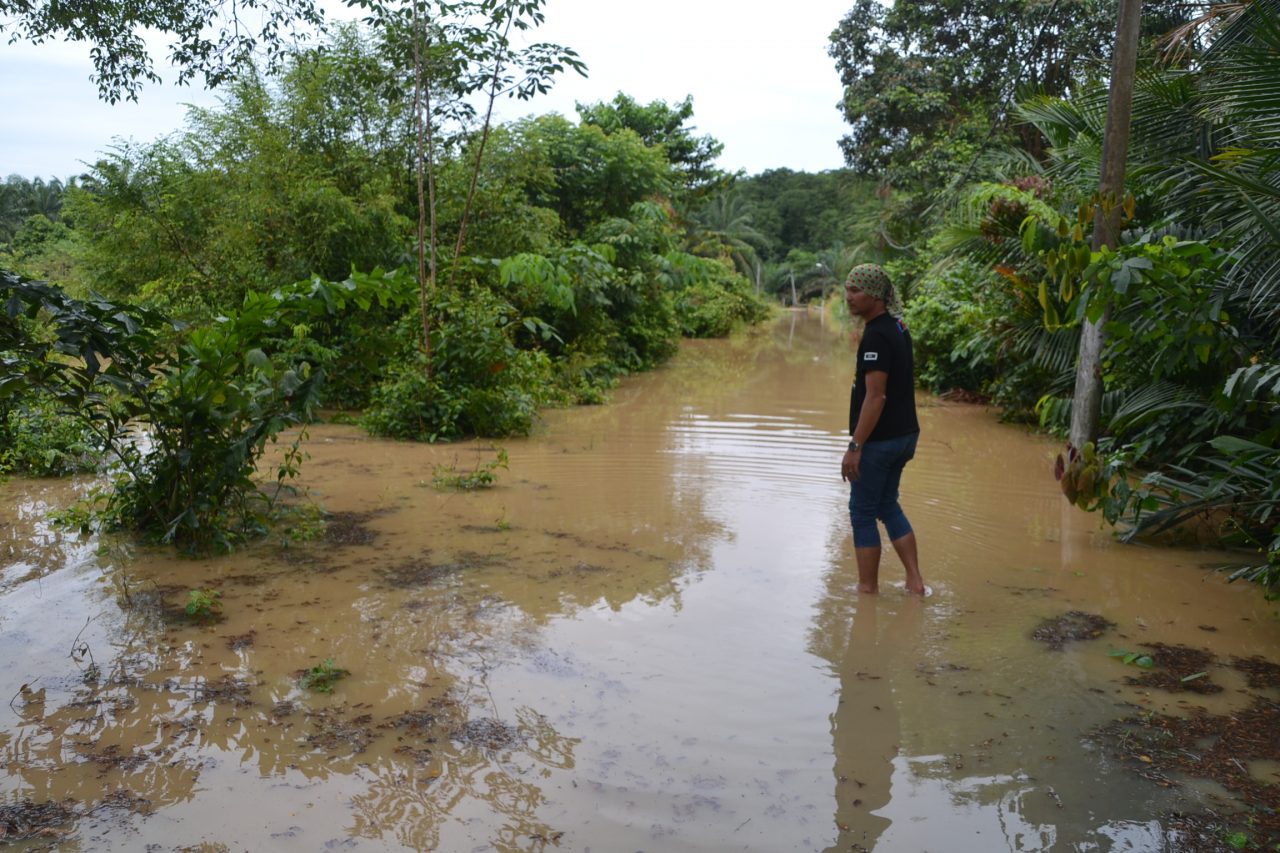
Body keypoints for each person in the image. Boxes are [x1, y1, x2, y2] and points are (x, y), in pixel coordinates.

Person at [840, 263, 925, 595]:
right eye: (847, 289)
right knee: (887, 504)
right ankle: (915, 582)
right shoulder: (898, 326)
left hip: (882, 440)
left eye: (856, 290)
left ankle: (867, 589)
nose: (849, 297)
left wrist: (855, 447)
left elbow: (875, 397)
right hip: (906, 434)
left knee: (861, 512)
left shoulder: (876, 334)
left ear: (875, 295)